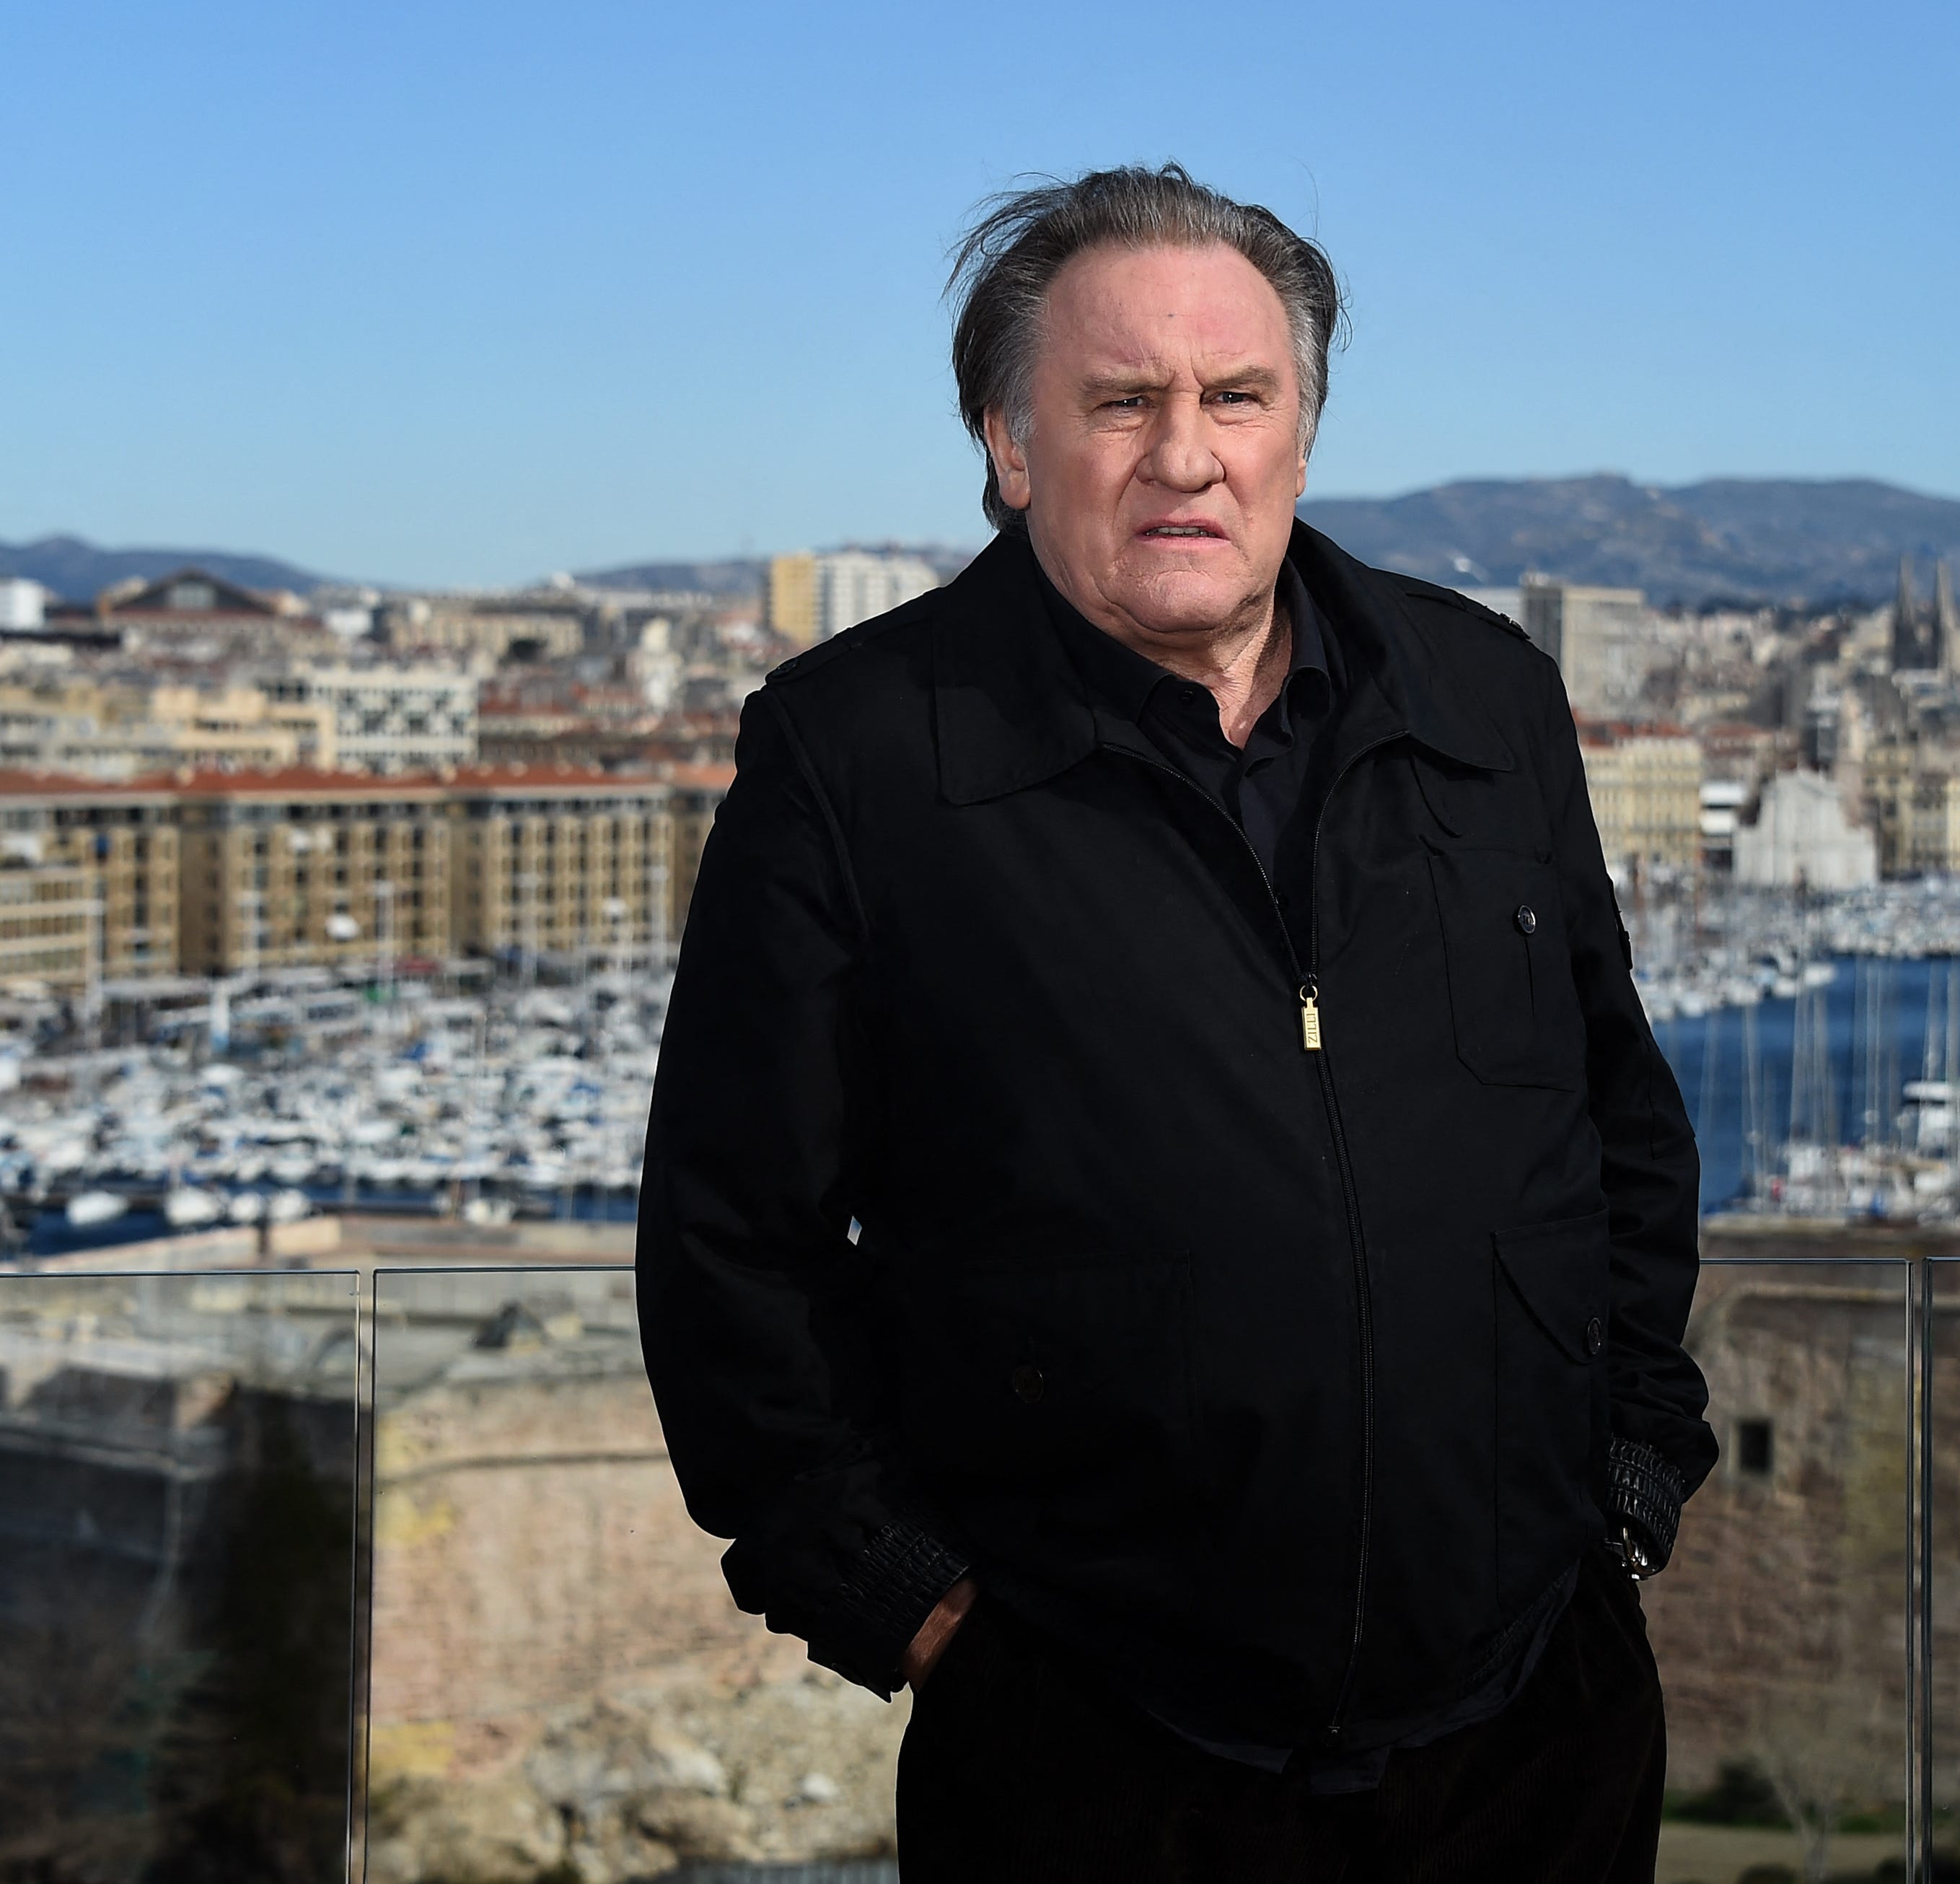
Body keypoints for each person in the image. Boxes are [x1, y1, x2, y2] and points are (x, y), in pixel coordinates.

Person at [637, 163, 1713, 1881]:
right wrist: (916, 1612)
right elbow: (728, 1252)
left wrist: (1634, 1472)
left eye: (1236, 396)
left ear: (1303, 432)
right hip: (1096, 1754)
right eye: (1120, 401)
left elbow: (1618, 1121)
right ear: (1009, 444)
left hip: (1531, 1725)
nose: (1186, 454)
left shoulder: (1483, 697)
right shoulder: (859, 755)